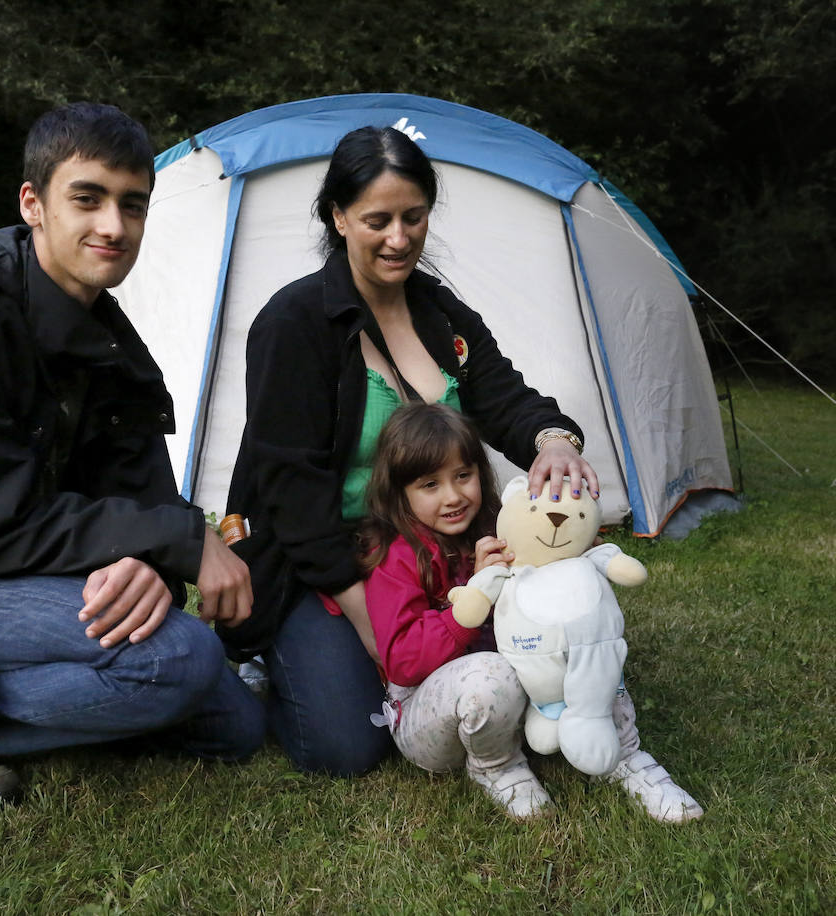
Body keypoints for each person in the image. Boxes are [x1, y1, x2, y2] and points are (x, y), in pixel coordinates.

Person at [0, 102, 264, 813]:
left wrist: (152, 558)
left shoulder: (103, 331)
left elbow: (142, 488)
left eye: (133, 206)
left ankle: (103, 701)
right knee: (183, 659)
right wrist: (178, 542)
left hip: (33, 564)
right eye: (89, 198)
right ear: (33, 203)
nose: (114, 226)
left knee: (237, 728)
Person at [223, 125, 599, 775]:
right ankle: (260, 663)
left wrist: (554, 442)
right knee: (347, 746)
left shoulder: (438, 310)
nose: (399, 238)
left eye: (413, 217)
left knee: (549, 663)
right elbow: (294, 501)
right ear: (338, 218)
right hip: (328, 564)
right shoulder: (293, 324)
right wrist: (383, 642)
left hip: (436, 547)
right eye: (377, 219)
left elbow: (506, 397)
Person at [360, 403, 549, 818]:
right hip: (426, 719)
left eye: (463, 475)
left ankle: (612, 746)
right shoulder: (396, 559)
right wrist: (473, 595)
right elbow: (405, 661)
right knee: (490, 677)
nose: (453, 496)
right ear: (400, 494)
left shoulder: (494, 530)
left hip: (507, 695)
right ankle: (495, 766)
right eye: (430, 485)